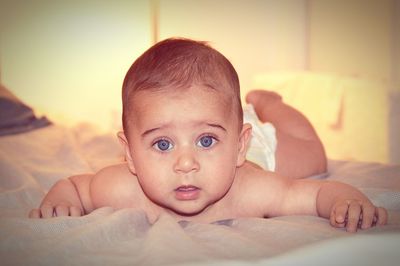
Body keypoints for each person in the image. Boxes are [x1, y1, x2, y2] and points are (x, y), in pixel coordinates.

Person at [29, 38, 387, 232]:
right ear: (129, 154)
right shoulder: (122, 187)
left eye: (205, 141)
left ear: (238, 145)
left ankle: (268, 103)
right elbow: (76, 186)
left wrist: (347, 200)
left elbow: (321, 191)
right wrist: (62, 199)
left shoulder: (254, 189)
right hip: (226, 130)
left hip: (261, 155)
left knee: (312, 156)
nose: (186, 163)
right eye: (162, 144)